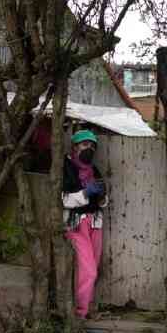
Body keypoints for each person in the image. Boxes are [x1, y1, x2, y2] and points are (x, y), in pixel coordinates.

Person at [62, 129, 108, 320]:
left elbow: (103, 202)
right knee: (88, 269)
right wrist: (85, 194)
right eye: (84, 144)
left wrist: (102, 196)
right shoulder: (65, 168)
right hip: (75, 224)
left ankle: (87, 307)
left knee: (93, 268)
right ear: (74, 147)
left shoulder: (94, 170)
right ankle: (79, 313)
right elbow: (63, 200)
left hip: (95, 222)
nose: (88, 148)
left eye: (91, 145)